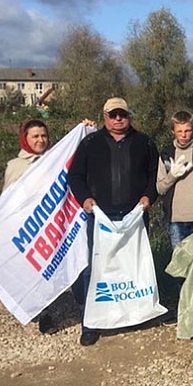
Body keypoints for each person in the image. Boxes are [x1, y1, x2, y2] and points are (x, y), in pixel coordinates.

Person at [69, 97, 159, 347]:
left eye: (122, 114)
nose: (118, 119)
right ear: (105, 116)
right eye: (113, 114)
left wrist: (148, 196)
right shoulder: (90, 143)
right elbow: (75, 176)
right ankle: (90, 323)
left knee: (135, 264)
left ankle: (135, 313)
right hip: (101, 217)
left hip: (134, 215)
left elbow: (155, 175)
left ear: (129, 115)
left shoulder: (145, 142)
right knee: (95, 268)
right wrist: (85, 199)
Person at [0, 120, 56, 332]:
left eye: (43, 136)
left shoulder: (54, 160)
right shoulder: (15, 166)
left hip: (48, 224)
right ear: (26, 138)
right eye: (35, 136)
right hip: (26, 226)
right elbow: (6, 200)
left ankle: (46, 314)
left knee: (48, 269)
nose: (40, 140)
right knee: (29, 269)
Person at [156, 111, 193, 324]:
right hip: (175, 219)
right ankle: (183, 307)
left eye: (188, 130)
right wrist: (173, 175)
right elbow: (160, 188)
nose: (184, 135)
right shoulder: (165, 154)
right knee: (180, 265)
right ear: (173, 130)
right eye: (179, 131)